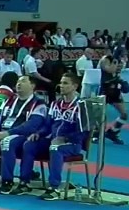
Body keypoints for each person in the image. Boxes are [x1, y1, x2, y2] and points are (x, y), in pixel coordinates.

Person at [26, 72, 89, 201]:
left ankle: (54, 188)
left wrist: (65, 138)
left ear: (75, 86)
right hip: (52, 140)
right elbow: (47, 125)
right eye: (61, 83)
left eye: (65, 83)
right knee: (29, 145)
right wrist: (38, 133)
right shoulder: (55, 104)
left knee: (55, 148)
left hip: (72, 144)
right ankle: (24, 182)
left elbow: (84, 132)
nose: (61, 86)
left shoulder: (81, 106)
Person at [98, 54, 129, 145]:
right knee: (101, 115)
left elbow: (116, 73)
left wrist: (121, 82)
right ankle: (97, 134)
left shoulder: (119, 59)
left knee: (124, 115)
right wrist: (116, 64)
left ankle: (113, 132)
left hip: (115, 89)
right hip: (105, 89)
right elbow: (108, 69)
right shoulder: (106, 59)